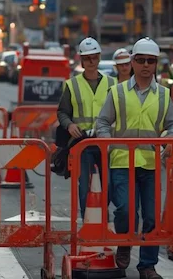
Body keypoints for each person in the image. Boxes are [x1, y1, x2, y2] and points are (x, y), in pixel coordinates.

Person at [95, 38, 173, 279]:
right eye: (140, 60)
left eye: (150, 61)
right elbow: (102, 122)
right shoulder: (118, 92)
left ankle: (147, 266)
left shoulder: (163, 95)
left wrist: (171, 138)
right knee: (126, 211)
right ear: (132, 62)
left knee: (151, 217)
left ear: (156, 64)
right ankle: (124, 242)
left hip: (150, 164)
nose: (145, 65)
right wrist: (106, 142)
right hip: (122, 161)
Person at [57, 38, 117, 216]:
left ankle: (101, 217)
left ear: (99, 58)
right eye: (87, 58)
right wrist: (69, 125)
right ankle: (87, 221)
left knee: (108, 185)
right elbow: (62, 112)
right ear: (82, 60)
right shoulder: (72, 85)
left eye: (95, 58)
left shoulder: (112, 84)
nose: (91, 62)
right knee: (84, 185)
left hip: (106, 142)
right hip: (82, 143)